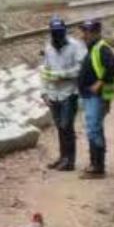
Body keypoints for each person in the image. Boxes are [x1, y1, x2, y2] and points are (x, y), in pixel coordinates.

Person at [74, 19, 114, 179]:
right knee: (93, 128)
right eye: (84, 31)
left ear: (96, 33)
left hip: (96, 96)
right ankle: (95, 164)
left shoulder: (101, 48)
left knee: (94, 129)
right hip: (90, 95)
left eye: (87, 32)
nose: (84, 35)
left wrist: (99, 85)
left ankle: (98, 167)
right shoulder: (93, 48)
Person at [39, 16, 87, 171]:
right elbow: (45, 70)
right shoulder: (48, 48)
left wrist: (63, 74)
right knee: (60, 126)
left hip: (69, 92)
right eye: (54, 33)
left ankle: (69, 160)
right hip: (53, 93)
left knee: (67, 125)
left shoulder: (76, 46)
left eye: (60, 33)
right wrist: (44, 92)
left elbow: (81, 68)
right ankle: (62, 157)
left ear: (64, 32)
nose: (57, 36)